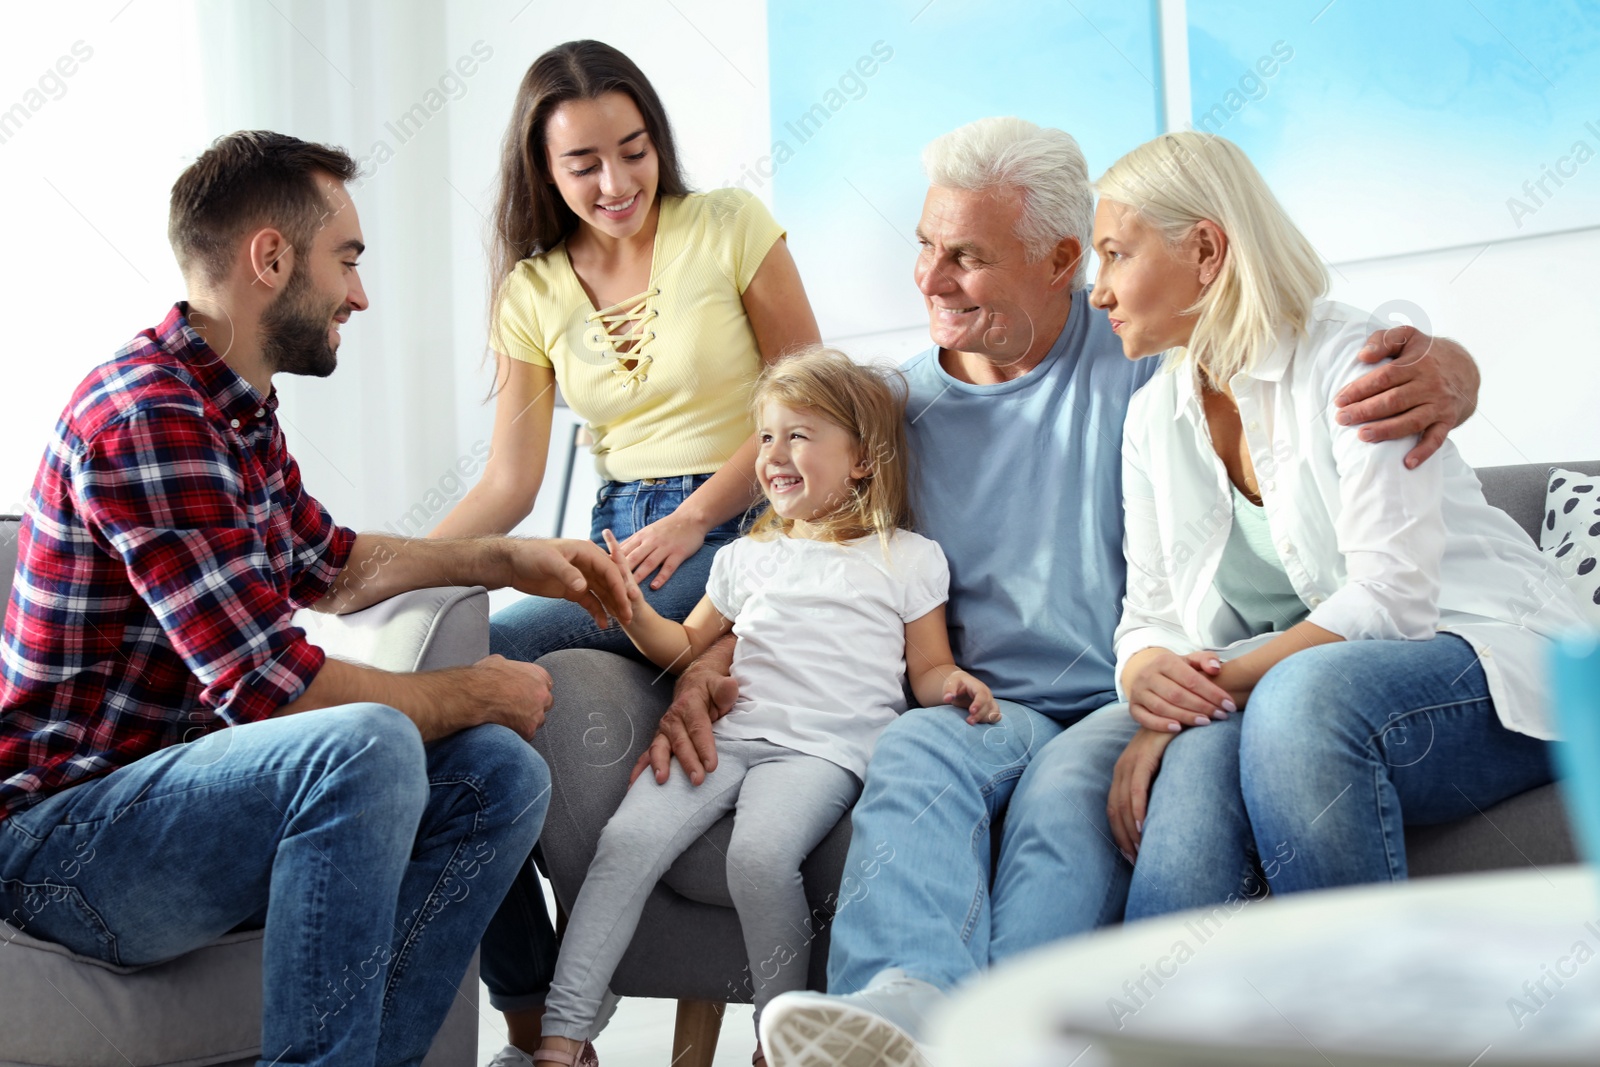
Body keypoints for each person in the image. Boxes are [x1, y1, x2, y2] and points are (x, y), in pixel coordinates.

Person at [584, 118, 1485, 1067]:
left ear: (1061, 261)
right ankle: (896, 1006)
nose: (929, 279)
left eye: (965, 257)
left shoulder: (1145, 350)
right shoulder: (891, 412)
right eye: (925, 247)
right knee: (917, 751)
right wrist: (710, 658)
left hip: (1115, 697)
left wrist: (1452, 370)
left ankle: (1014, 1037)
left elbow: (1278, 335)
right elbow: (803, 548)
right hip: (976, 702)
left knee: (1063, 804)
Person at [0, 131, 630, 1064]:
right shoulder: (151, 415)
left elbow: (332, 568)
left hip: (182, 809)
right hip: (66, 843)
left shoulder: (234, 409)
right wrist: (470, 690)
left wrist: (504, 557)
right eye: (348, 260)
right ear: (271, 257)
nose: (360, 294)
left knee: (498, 775)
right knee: (362, 745)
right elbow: (272, 691)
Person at [1089, 131, 1583, 920]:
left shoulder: (1355, 362)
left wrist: (1202, 688)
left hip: (1497, 657)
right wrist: (1148, 681)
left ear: (1207, 250)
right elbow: (1148, 615)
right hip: (1315, 675)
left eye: (1115, 253)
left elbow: (1390, 600)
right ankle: (1163, 1032)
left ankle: (1370, 1030)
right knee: (1198, 754)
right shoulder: (1152, 417)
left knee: (1296, 702)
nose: (1098, 289)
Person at [447, 41, 822, 1058]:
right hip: (620, 544)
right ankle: (530, 1013)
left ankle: (541, 1022)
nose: (615, 184)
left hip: (751, 519)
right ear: (543, 170)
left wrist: (697, 515)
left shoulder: (729, 227)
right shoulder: (530, 290)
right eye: (583, 165)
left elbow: (809, 409)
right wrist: (393, 572)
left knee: (486, 667)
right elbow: (510, 482)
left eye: (634, 150)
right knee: (449, 691)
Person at [529, 348, 996, 1067]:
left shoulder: (907, 556)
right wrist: (626, 605)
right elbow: (686, 645)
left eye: (800, 435)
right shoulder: (747, 556)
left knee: (759, 855)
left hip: (824, 752)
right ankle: (561, 1039)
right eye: (768, 436)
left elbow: (928, 667)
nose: (775, 454)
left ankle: (778, 1041)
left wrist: (954, 685)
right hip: (734, 735)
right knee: (625, 841)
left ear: (863, 459)